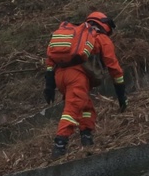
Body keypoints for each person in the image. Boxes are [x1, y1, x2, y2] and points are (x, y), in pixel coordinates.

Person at [43, 12, 126, 158]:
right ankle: (60, 144)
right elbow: (114, 68)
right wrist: (121, 95)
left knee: (86, 106)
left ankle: (86, 136)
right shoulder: (101, 38)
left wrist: (49, 86)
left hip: (60, 76)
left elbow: (50, 62)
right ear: (105, 25)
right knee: (72, 109)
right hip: (77, 78)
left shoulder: (76, 35)